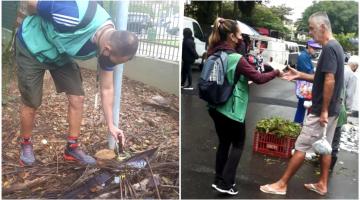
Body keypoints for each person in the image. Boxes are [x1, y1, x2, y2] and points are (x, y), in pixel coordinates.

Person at [16, 0, 139, 166]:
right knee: (32, 101)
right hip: (32, 45)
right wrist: (40, 22)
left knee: (77, 97)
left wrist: (111, 124)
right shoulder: (70, 13)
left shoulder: (111, 44)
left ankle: (72, 148)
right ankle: (26, 144)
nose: (111, 65)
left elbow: (107, 88)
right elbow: (30, 3)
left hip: (60, 52)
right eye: (113, 62)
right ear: (107, 49)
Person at [260, 12, 344, 196]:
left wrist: (322, 110)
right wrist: (299, 74)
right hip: (333, 110)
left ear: (323, 27)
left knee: (301, 146)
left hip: (323, 111)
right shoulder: (335, 46)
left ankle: (282, 184)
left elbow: (329, 80)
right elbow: (322, 78)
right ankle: (322, 184)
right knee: (326, 146)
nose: (310, 33)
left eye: (312, 28)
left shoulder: (329, 47)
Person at [207, 18, 282, 195]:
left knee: (224, 142)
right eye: (240, 34)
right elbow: (259, 78)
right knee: (238, 143)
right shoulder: (236, 58)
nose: (242, 37)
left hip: (214, 106)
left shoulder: (212, 53)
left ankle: (219, 179)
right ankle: (226, 184)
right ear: (232, 36)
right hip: (231, 108)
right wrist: (276, 72)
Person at [330, 61, 357, 170]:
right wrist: (348, 109)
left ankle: (324, 157)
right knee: (336, 136)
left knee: (328, 135)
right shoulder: (351, 76)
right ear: (355, 66)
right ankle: (331, 159)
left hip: (330, 109)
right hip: (339, 109)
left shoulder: (336, 74)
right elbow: (349, 95)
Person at [293, 39, 321, 124]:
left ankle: (298, 124)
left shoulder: (306, 55)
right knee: (306, 106)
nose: (315, 50)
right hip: (304, 86)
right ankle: (299, 124)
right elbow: (310, 72)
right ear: (308, 46)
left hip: (304, 86)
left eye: (316, 49)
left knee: (302, 106)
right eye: (314, 48)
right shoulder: (303, 56)